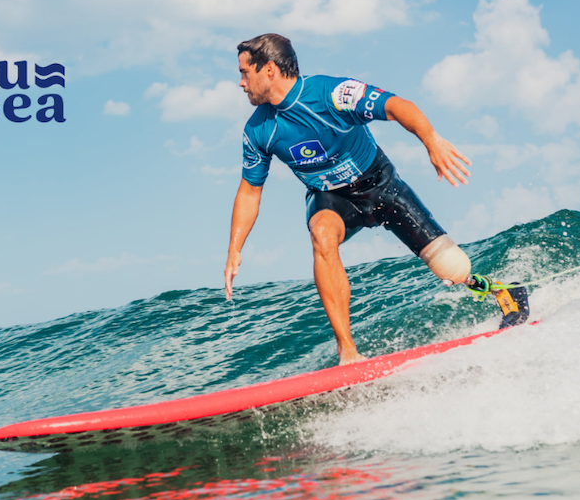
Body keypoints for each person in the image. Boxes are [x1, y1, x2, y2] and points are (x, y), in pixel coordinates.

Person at [223, 33, 527, 365]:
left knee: (453, 270)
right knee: (322, 233)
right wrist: (235, 249)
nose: (241, 83)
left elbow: (397, 106)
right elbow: (250, 190)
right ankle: (348, 351)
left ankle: (502, 290)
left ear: (269, 69)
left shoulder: (331, 94)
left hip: (380, 183)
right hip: (332, 199)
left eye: (244, 73)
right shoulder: (258, 130)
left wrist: (432, 141)